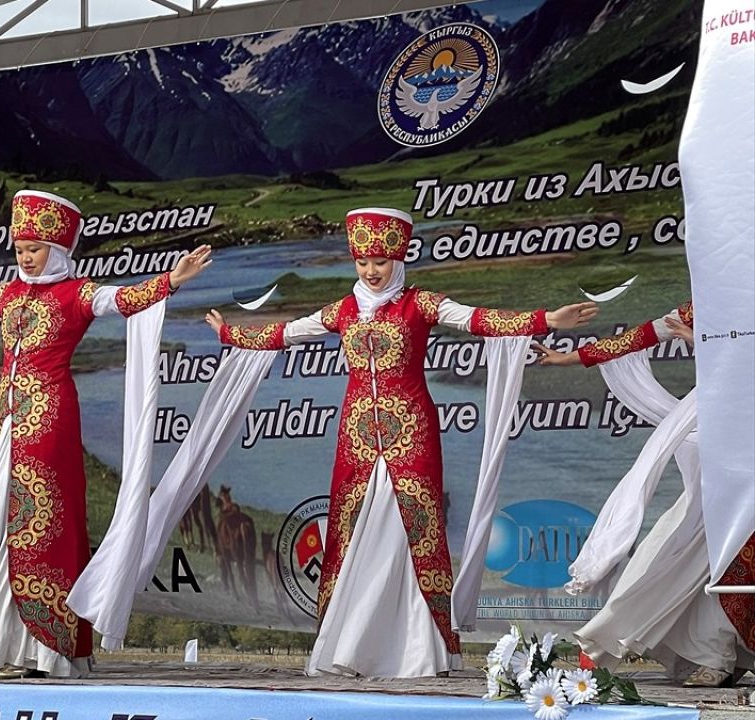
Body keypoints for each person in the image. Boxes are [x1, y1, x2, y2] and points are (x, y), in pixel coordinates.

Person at [207, 207, 597, 678]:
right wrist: (230, 333)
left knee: (409, 529)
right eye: (363, 263)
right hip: (356, 436)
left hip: (411, 431)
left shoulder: (421, 304)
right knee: (353, 534)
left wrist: (547, 319)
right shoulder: (343, 310)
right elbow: (288, 333)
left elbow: (478, 319)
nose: (371, 272)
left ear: (400, 256)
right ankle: (351, 645)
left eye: (381, 262)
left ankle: (417, 650)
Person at [0, 189, 212, 678]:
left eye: (34, 249)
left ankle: (48, 650)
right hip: (7, 422)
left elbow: (123, 300)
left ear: (59, 250)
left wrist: (172, 279)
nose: (24, 257)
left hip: (50, 420)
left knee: (45, 526)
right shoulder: (6, 294)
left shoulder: (77, 293)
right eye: (20, 248)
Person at [535, 301, 754, 687]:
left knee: (728, 550)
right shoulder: (712, 292)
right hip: (727, 437)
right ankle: (713, 654)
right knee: (696, 544)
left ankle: (723, 655)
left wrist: (710, 347)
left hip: (743, 427)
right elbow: (642, 336)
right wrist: (568, 358)